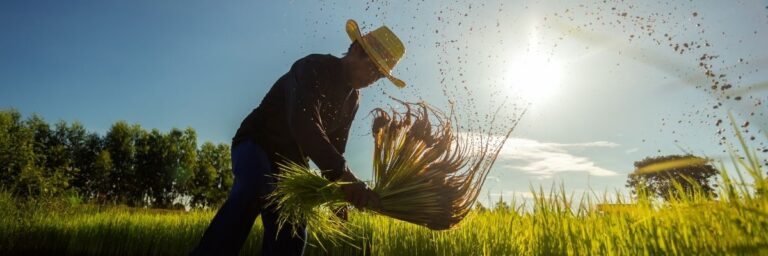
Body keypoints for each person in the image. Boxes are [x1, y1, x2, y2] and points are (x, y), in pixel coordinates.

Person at [190, 19, 406, 256]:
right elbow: (304, 124)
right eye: (373, 67)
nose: (373, 78)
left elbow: (336, 148)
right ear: (356, 49)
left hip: (291, 164)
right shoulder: (313, 66)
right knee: (254, 189)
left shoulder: (353, 100)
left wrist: (340, 194)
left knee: (292, 233)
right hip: (257, 143)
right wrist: (345, 176)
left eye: (380, 75)